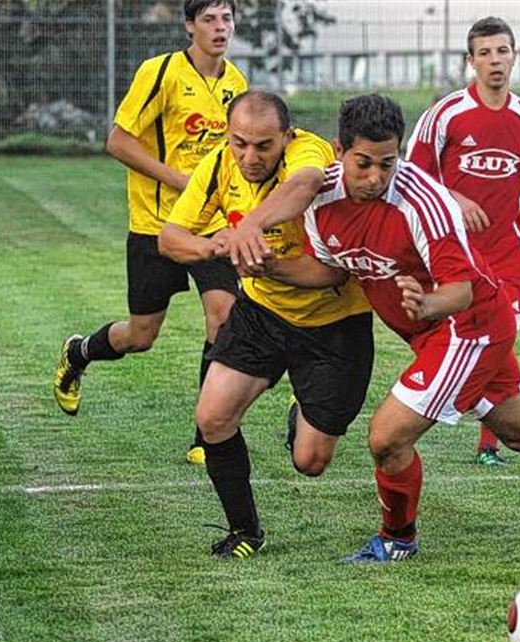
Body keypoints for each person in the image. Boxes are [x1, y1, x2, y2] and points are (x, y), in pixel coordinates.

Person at [256, 94, 520, 563]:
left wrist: (426, 302)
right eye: (363, 163)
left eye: (387, 163)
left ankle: (397, 539)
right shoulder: (321, 201)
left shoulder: (423, 202)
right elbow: (332, 271)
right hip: (440, 334)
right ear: (339, 150)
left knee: (387, 436)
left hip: (467, 326)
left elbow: (458, 291)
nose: (376, 177)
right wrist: (267, 268)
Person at [158, 90, 372, 558]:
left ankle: (302, 411)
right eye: (239, 144)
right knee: (212, 418)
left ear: (286, 138)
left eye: (263, 146)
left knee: (310, 462)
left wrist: (251, 234)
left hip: (335, 322)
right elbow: (170, 238)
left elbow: (329, 262)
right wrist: (215, 247)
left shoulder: (308, 153)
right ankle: (245, 531)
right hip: (262, 315)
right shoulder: (218, 165)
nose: (249, 157)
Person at [54, 0, 246, 465]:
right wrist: (180, 180)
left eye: (226, 18)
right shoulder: (160, 73)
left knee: (223, 319)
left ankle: (206, 435)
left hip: (212, 227)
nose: (220, 28)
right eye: (209, 19)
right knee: (141, 336)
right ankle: (79, 353)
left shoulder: (236, 84)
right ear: (188, 26)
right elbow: (117, 141)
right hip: (155, 225)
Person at [406, 17, 520, 467]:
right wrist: (455, 197)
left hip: (508, 258)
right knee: (457, 340)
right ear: (471, 61)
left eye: (502, 51)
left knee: (499, 343)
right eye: (485, 53)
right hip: (455, 259)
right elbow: (411, 176)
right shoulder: (445, 115)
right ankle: (435, 406)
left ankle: (488, 443)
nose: (494, 61)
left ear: (514, 56)